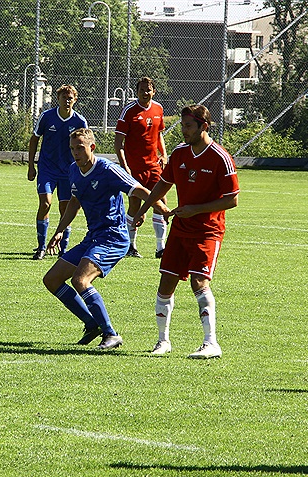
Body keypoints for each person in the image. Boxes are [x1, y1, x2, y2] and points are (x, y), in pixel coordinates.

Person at [42, 128, 168, 350]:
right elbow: (74, 202)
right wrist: (60, 230)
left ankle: (111, 334)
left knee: (81, 280)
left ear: (92, 147)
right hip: (93, 237)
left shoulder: (108, 169)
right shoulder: (73, 170)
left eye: (80, 148)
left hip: (113, 237)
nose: (75, 153)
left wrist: (162, 209)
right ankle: (92, 324)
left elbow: (138, 189)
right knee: (51, 279)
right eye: (72, 149)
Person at [133, 104, 239, 358]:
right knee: (166, 283)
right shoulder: (180, 153)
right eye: (182, 125)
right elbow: (162, 185)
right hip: (180, 229)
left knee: (198, 282)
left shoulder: (220, 157)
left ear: (204, 126)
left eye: (188, 126)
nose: (184, 130)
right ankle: (163, 342)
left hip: (207, 231)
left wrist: (195, 209)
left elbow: (232, 199)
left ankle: (211, 343)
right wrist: (143, 210)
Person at [28, 85, 88, 260]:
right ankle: (41, 247)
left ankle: (63, 249)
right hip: (47, 169)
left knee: (65, 209)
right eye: (64, 97)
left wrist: (84, 169)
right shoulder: (47, 117)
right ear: (58, 99)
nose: (67, 101)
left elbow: (87, 146)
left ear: (75, 100)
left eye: (70, 98)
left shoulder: (80, 121)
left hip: (69, 172)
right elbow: (34, 139)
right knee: (45, 203)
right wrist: (31, 165)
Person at [114, 76, 168, 258]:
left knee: (161, 202)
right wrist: (125, 166)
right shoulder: (129, 111)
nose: (145, 93)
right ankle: (130, 246)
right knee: (135, 205)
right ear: (136, 92)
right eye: (142, 90)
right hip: (135, 168)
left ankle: (161, 248)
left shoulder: (158, 108)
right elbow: (118, 142)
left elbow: (159, 134)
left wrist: (164, 154)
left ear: (154, 91)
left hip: (154, 166)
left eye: (148, 89)